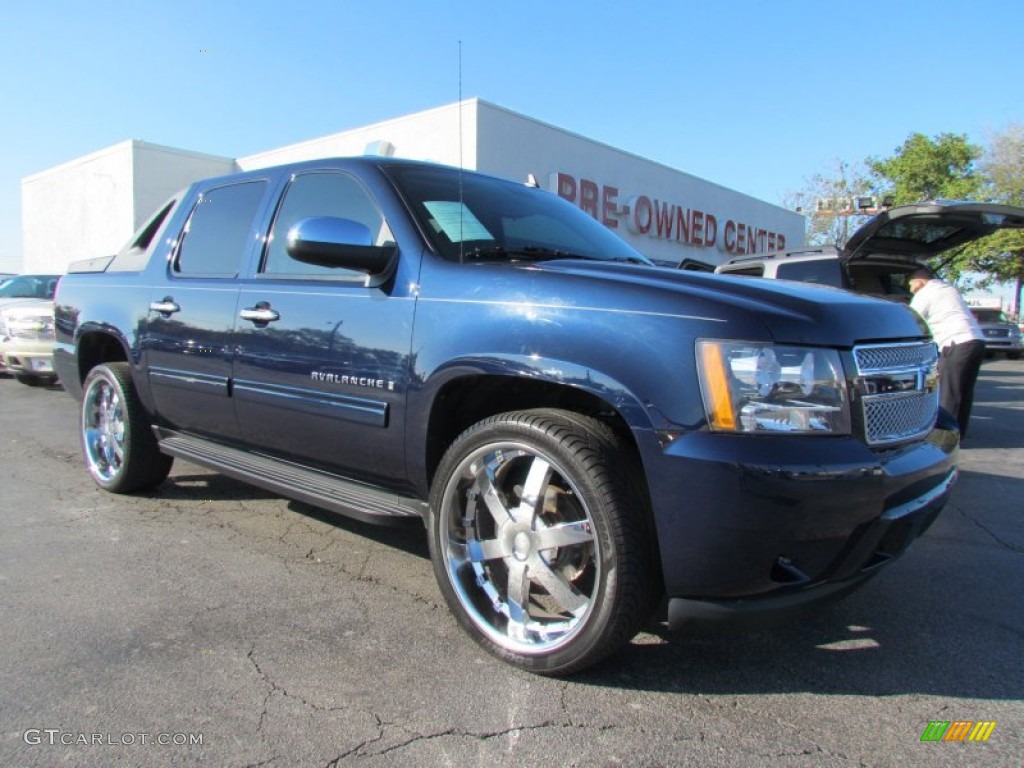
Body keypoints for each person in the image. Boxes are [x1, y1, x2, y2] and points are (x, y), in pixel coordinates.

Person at [907, 267, 987, 439]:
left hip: (956, 342)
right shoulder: (949, 289)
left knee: (948, 392)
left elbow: (912, 318)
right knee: (964, 391)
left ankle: (945, 437)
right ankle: (959, 433)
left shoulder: (926, 292)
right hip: (976, 341)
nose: (910, 290)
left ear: (920, 281)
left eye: (911, 285)